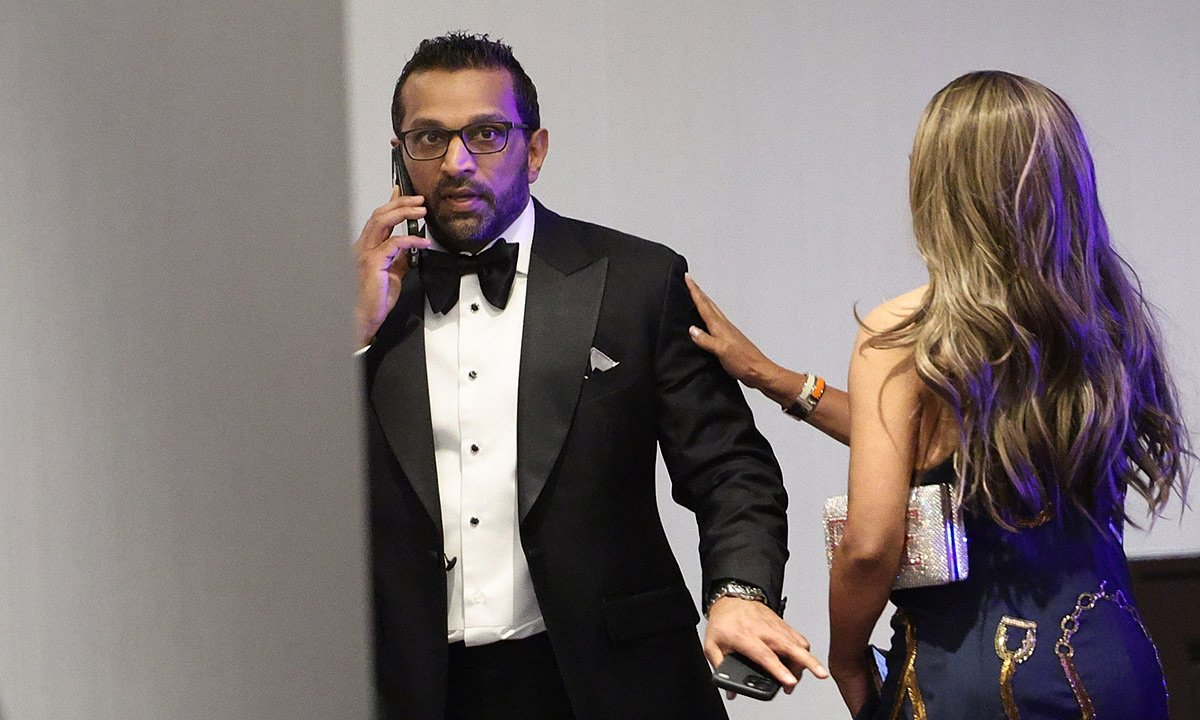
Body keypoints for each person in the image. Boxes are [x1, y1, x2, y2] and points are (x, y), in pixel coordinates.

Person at [354, 32, 826, 720]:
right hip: (415, 691)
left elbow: (730, 469)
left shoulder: (635, 281)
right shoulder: (353, 311)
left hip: (616, 684)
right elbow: (281, 503)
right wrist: (346, 338)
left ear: (534, 151)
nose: (456, 162)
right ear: (399, 156)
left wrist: (740, 594)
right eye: (429, 138)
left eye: (486, 134)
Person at [690, 70, 1190, 719]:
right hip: (1110, 662)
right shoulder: (1108, 317)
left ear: (942, 185)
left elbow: (870, 544)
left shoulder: (907, 332)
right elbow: (963, 446)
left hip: (974, 676)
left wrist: (847, 657)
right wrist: (775, 378)